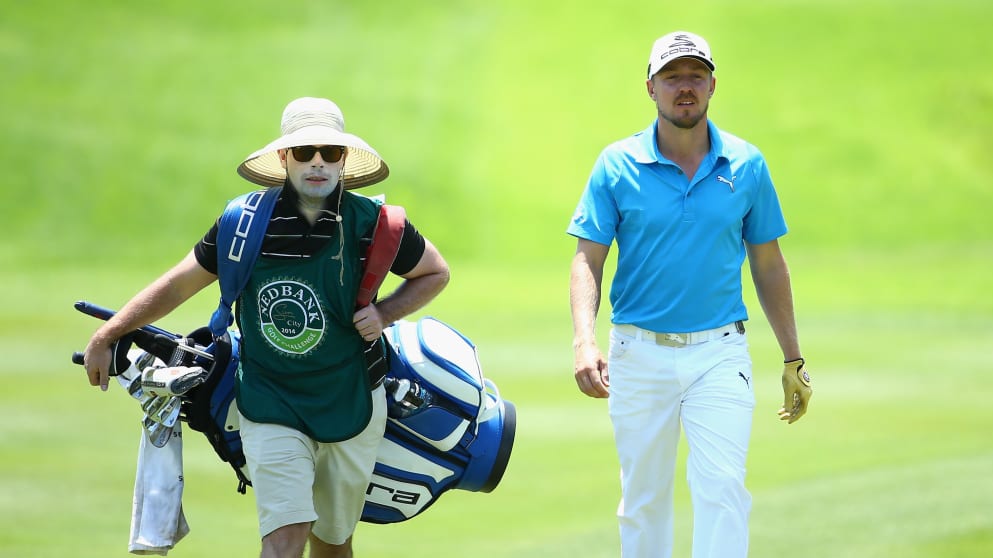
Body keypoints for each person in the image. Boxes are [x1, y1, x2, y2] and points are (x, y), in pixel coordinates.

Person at [83, 97, 450, 558]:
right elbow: (178, 285)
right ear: (284, 158)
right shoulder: (242, 224)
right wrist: (108, 333)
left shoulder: (374, 224)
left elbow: (435, 272)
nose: (317, 162)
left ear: (342, 160)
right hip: (269, 398)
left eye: (329, 153)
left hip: (353, 398)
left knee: (334, 544)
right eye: (304, 152)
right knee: (284, 538)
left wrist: (385, 314)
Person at [567, 31, 812, 558]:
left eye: (696, 76)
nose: (685, 87)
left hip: (720, 353)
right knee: (643, 502)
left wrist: (794, 357)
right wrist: (584, 341)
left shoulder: (746, 164)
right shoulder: (616, 164)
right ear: (650, 87)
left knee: (724, 491)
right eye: (673, 76)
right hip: (637, 351)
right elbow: (588, 258)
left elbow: (769, 264)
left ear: (712, 85)